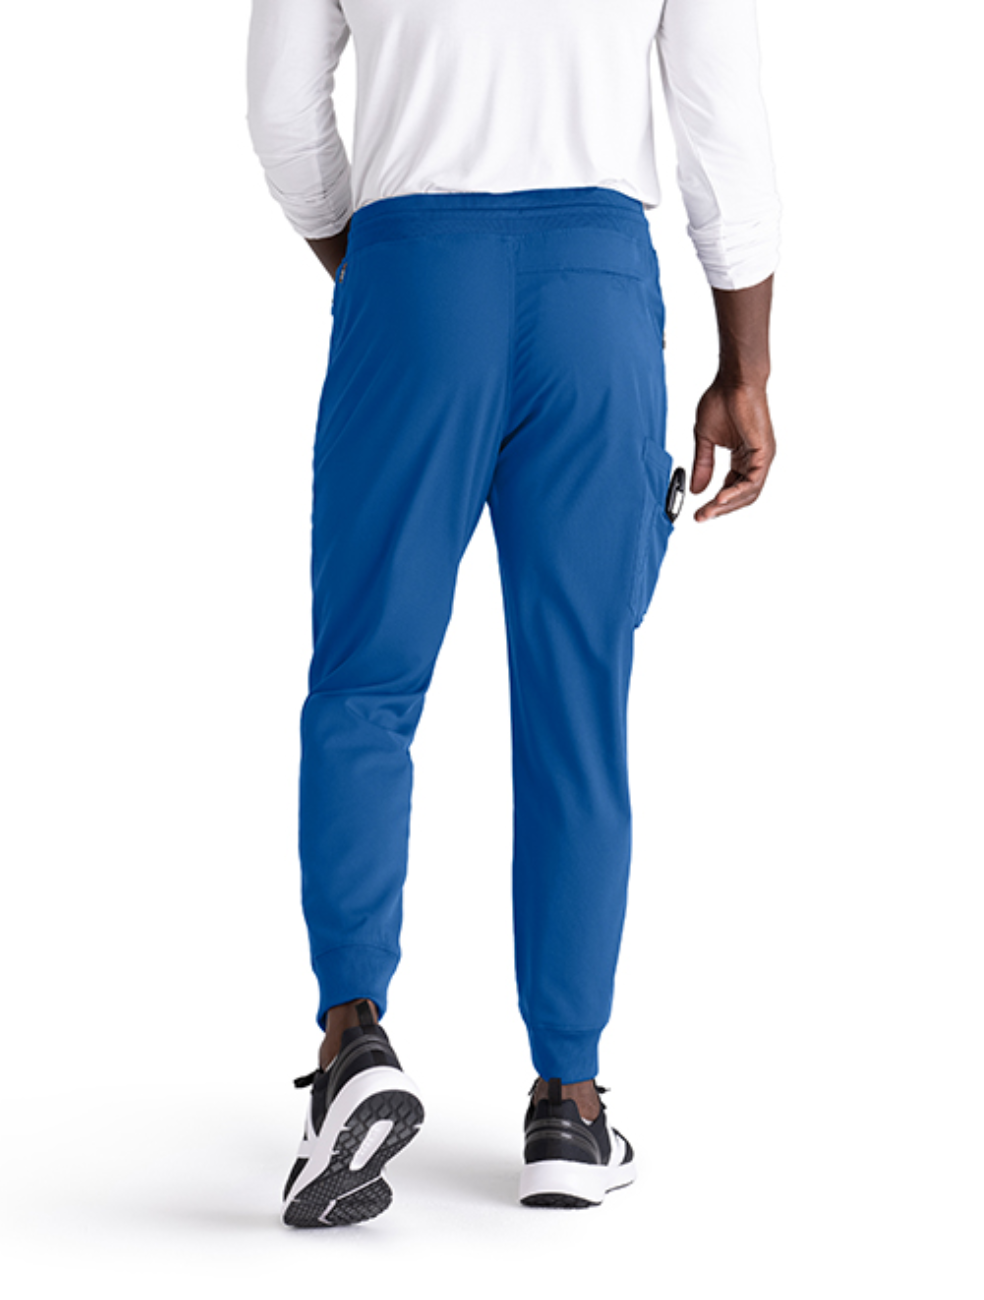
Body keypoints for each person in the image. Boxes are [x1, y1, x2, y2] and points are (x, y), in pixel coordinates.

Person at [245, 0, 781, 1226]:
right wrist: (745, 366)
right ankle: (569, 1106)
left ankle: (352, 1039)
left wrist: (385, 272)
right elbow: (720, 121)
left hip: (412, 273)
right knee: (575, 705)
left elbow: (281, 107)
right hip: (595, 292)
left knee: (366, 683)